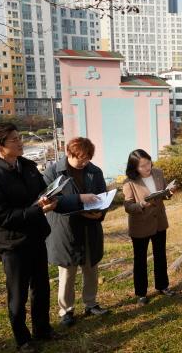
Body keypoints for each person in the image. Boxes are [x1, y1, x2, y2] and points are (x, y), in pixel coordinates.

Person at [0, 123, 58, 352]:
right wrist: (36, 210)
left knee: (41, 287)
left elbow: (42, 190)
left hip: (36, 237)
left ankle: (42, 328)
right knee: (18, 294)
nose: (20, 142)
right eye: (13, 139)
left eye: (18, 137)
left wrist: (50, 198)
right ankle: (23, 339)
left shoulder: (28, 166)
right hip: (12, 244)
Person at [43, 137, 110, 327]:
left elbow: (103, 196)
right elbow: (49, 201)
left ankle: (91, 303)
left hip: (91, 228)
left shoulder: (94, 171)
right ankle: (66, 310)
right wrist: (79, 199)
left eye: (88, 158)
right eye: (80, 158)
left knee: (91, 268)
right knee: (67, 272)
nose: (84, 162)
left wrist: (100, 213)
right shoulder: (53, 172)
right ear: (69, 154)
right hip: (65, 229)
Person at [123, 149, 177, 305]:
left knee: (160, 255)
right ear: (134, 168)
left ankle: (163, 286)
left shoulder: (158, 173)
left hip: (159, 221)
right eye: (142, 166)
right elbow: (128, 207)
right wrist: (141, 204)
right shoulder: (129, 182)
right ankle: (141, 293)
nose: (147, 167)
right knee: (140, 260)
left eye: (148, 163)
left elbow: (163, 194)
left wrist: (169, 193)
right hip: (140, 225)